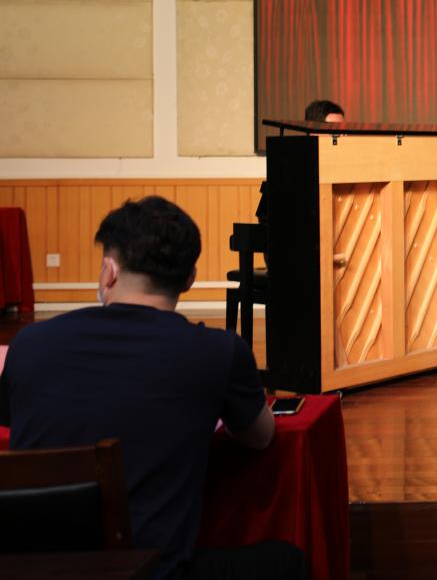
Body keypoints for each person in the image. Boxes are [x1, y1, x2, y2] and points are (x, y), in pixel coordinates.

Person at [0, 196, 303, 580]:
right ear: (190, 279)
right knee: (287, 560)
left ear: (109, 271)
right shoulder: (217, 352)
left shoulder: (29, 344)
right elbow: (260, 437)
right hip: (149, 571)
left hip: (30, 569)